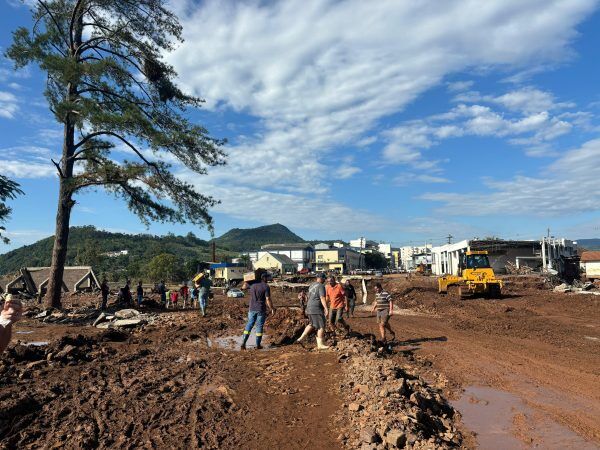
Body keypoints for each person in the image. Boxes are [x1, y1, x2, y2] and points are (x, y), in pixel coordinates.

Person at [241, 273, 275, 350]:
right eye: (267, 278)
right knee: (259, 326)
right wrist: (272, 308)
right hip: (261, 309)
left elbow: (243, 287)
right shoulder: (266, 286)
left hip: (252, 308)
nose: (268, 279)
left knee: (249, 325)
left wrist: (247, 280)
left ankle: (243, 342)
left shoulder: (252, 284)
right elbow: (268, 299)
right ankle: (258, 345)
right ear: (264, 278)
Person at [296, 273, 330, 349]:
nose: (324, 280)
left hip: (309, 308)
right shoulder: (321, 286)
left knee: (312, 324)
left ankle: (300, 338)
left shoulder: (312, 285)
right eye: (324, 279)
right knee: (321, 325)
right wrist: (326, 308)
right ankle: (320, 345)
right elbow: (322, 298)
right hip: (316, 308)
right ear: (321, 278)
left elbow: (308, 297)